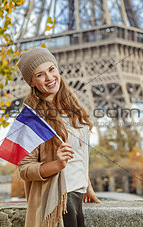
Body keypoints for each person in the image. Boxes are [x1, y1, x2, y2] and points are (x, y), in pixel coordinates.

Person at [17, 47, 101, 227]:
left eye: (51, 69)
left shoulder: (72, 108)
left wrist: (88, 188)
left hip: (77, 196)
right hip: (60, 200)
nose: (49, 77)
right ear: (31, 82)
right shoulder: (32, 118)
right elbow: (24, 169)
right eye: (39, 74)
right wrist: (57, 164)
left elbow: (79, 155)